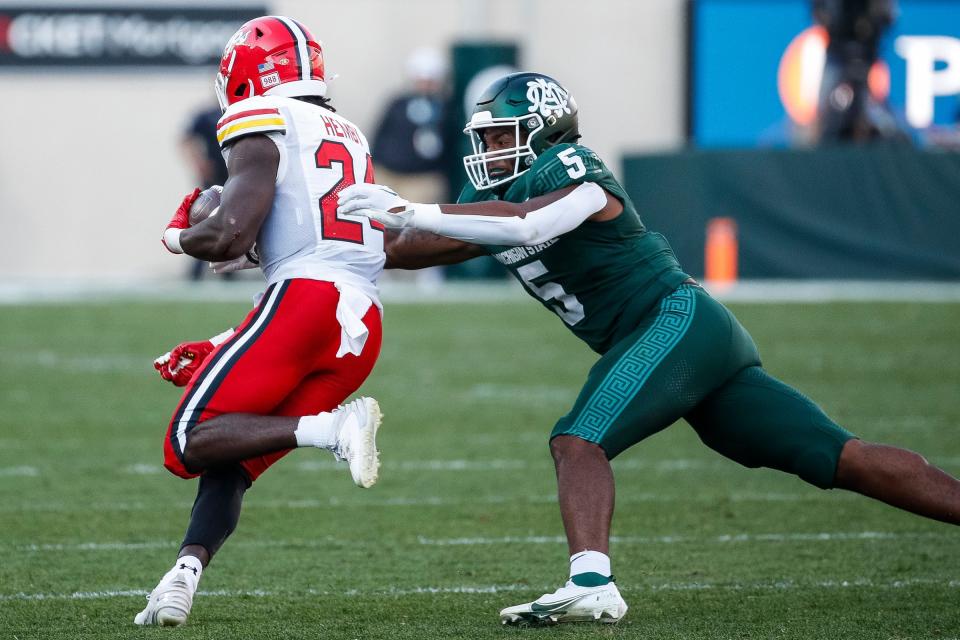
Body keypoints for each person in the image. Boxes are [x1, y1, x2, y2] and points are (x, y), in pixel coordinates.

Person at [336, 71, 960, 626]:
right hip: (682, 338)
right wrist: (315, 242)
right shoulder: (490, 203)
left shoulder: (576, 167)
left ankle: (591, 584)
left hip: (676, 320)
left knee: (578, 441)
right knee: (834, 456)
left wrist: (413, 209)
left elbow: (525, 225)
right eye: (489, 140)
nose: (492, 152)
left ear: (545, 132)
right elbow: (403, 249)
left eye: (504, 138)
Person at [135, 16, 386, 627]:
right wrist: (227, 342)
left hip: (305, 302)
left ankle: (329, 430)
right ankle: (182, 577)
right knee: (231, 457)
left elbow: (230, 236)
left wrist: (177, 237)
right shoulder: (346, 131)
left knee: (188, 439)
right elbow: (288, 235)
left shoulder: (259, 119)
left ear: (246, 76)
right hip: (360, 324)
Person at [180, 102, 232, 280]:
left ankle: (227, 270)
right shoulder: (207, 115)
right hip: (212, 178)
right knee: (204, 220)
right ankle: (196, 270)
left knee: (229, 222)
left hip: (232, 176)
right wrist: (199, 163)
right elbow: (187, 139)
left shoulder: (235, 113)